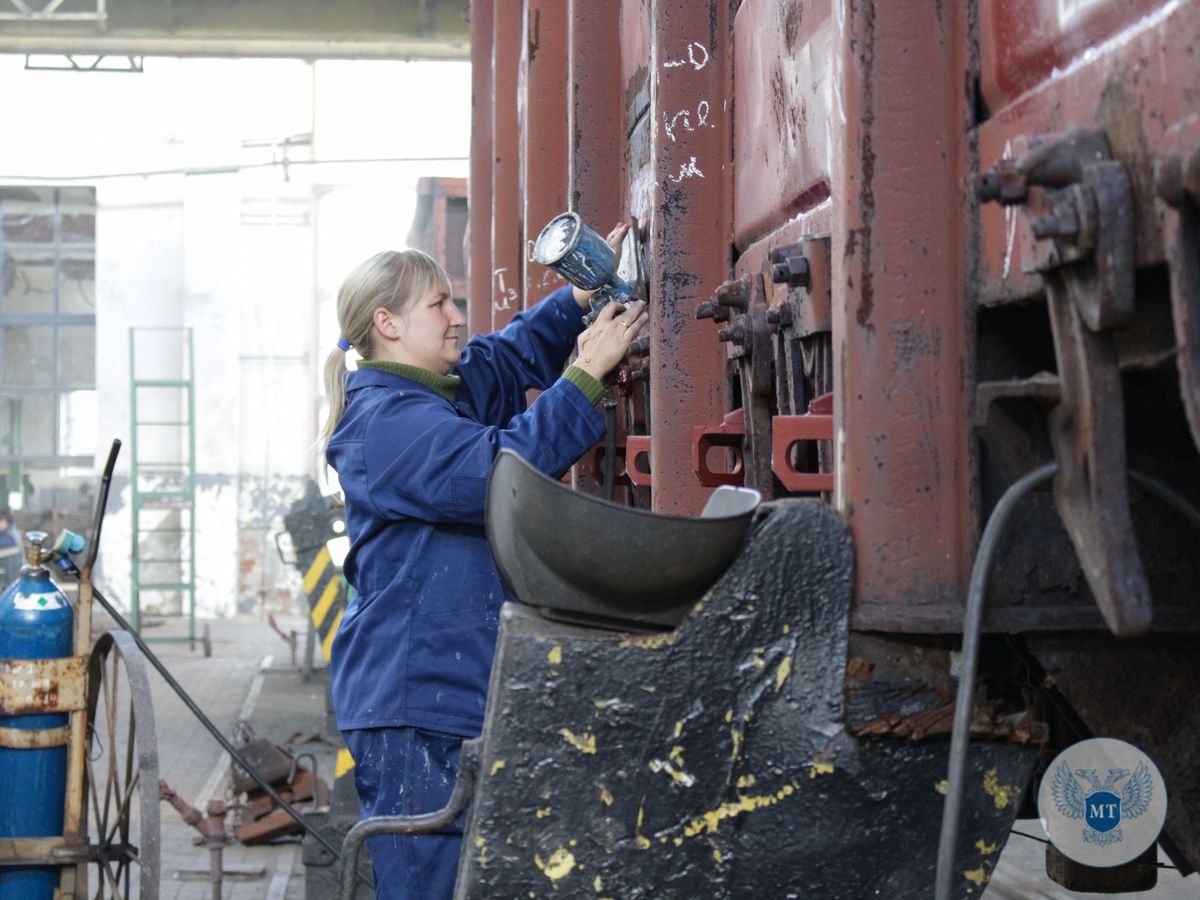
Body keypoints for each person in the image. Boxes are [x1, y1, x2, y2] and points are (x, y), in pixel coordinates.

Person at [319, 230, 647, 900]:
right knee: (428, 885)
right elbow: (498, 471)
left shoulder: (435, 395)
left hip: (444, 689)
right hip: (416, 700)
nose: (457, 317)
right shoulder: (383, 423)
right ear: (387, 323)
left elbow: (506, 358)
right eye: (439, 304)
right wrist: (583, 378)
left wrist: (576, 299)